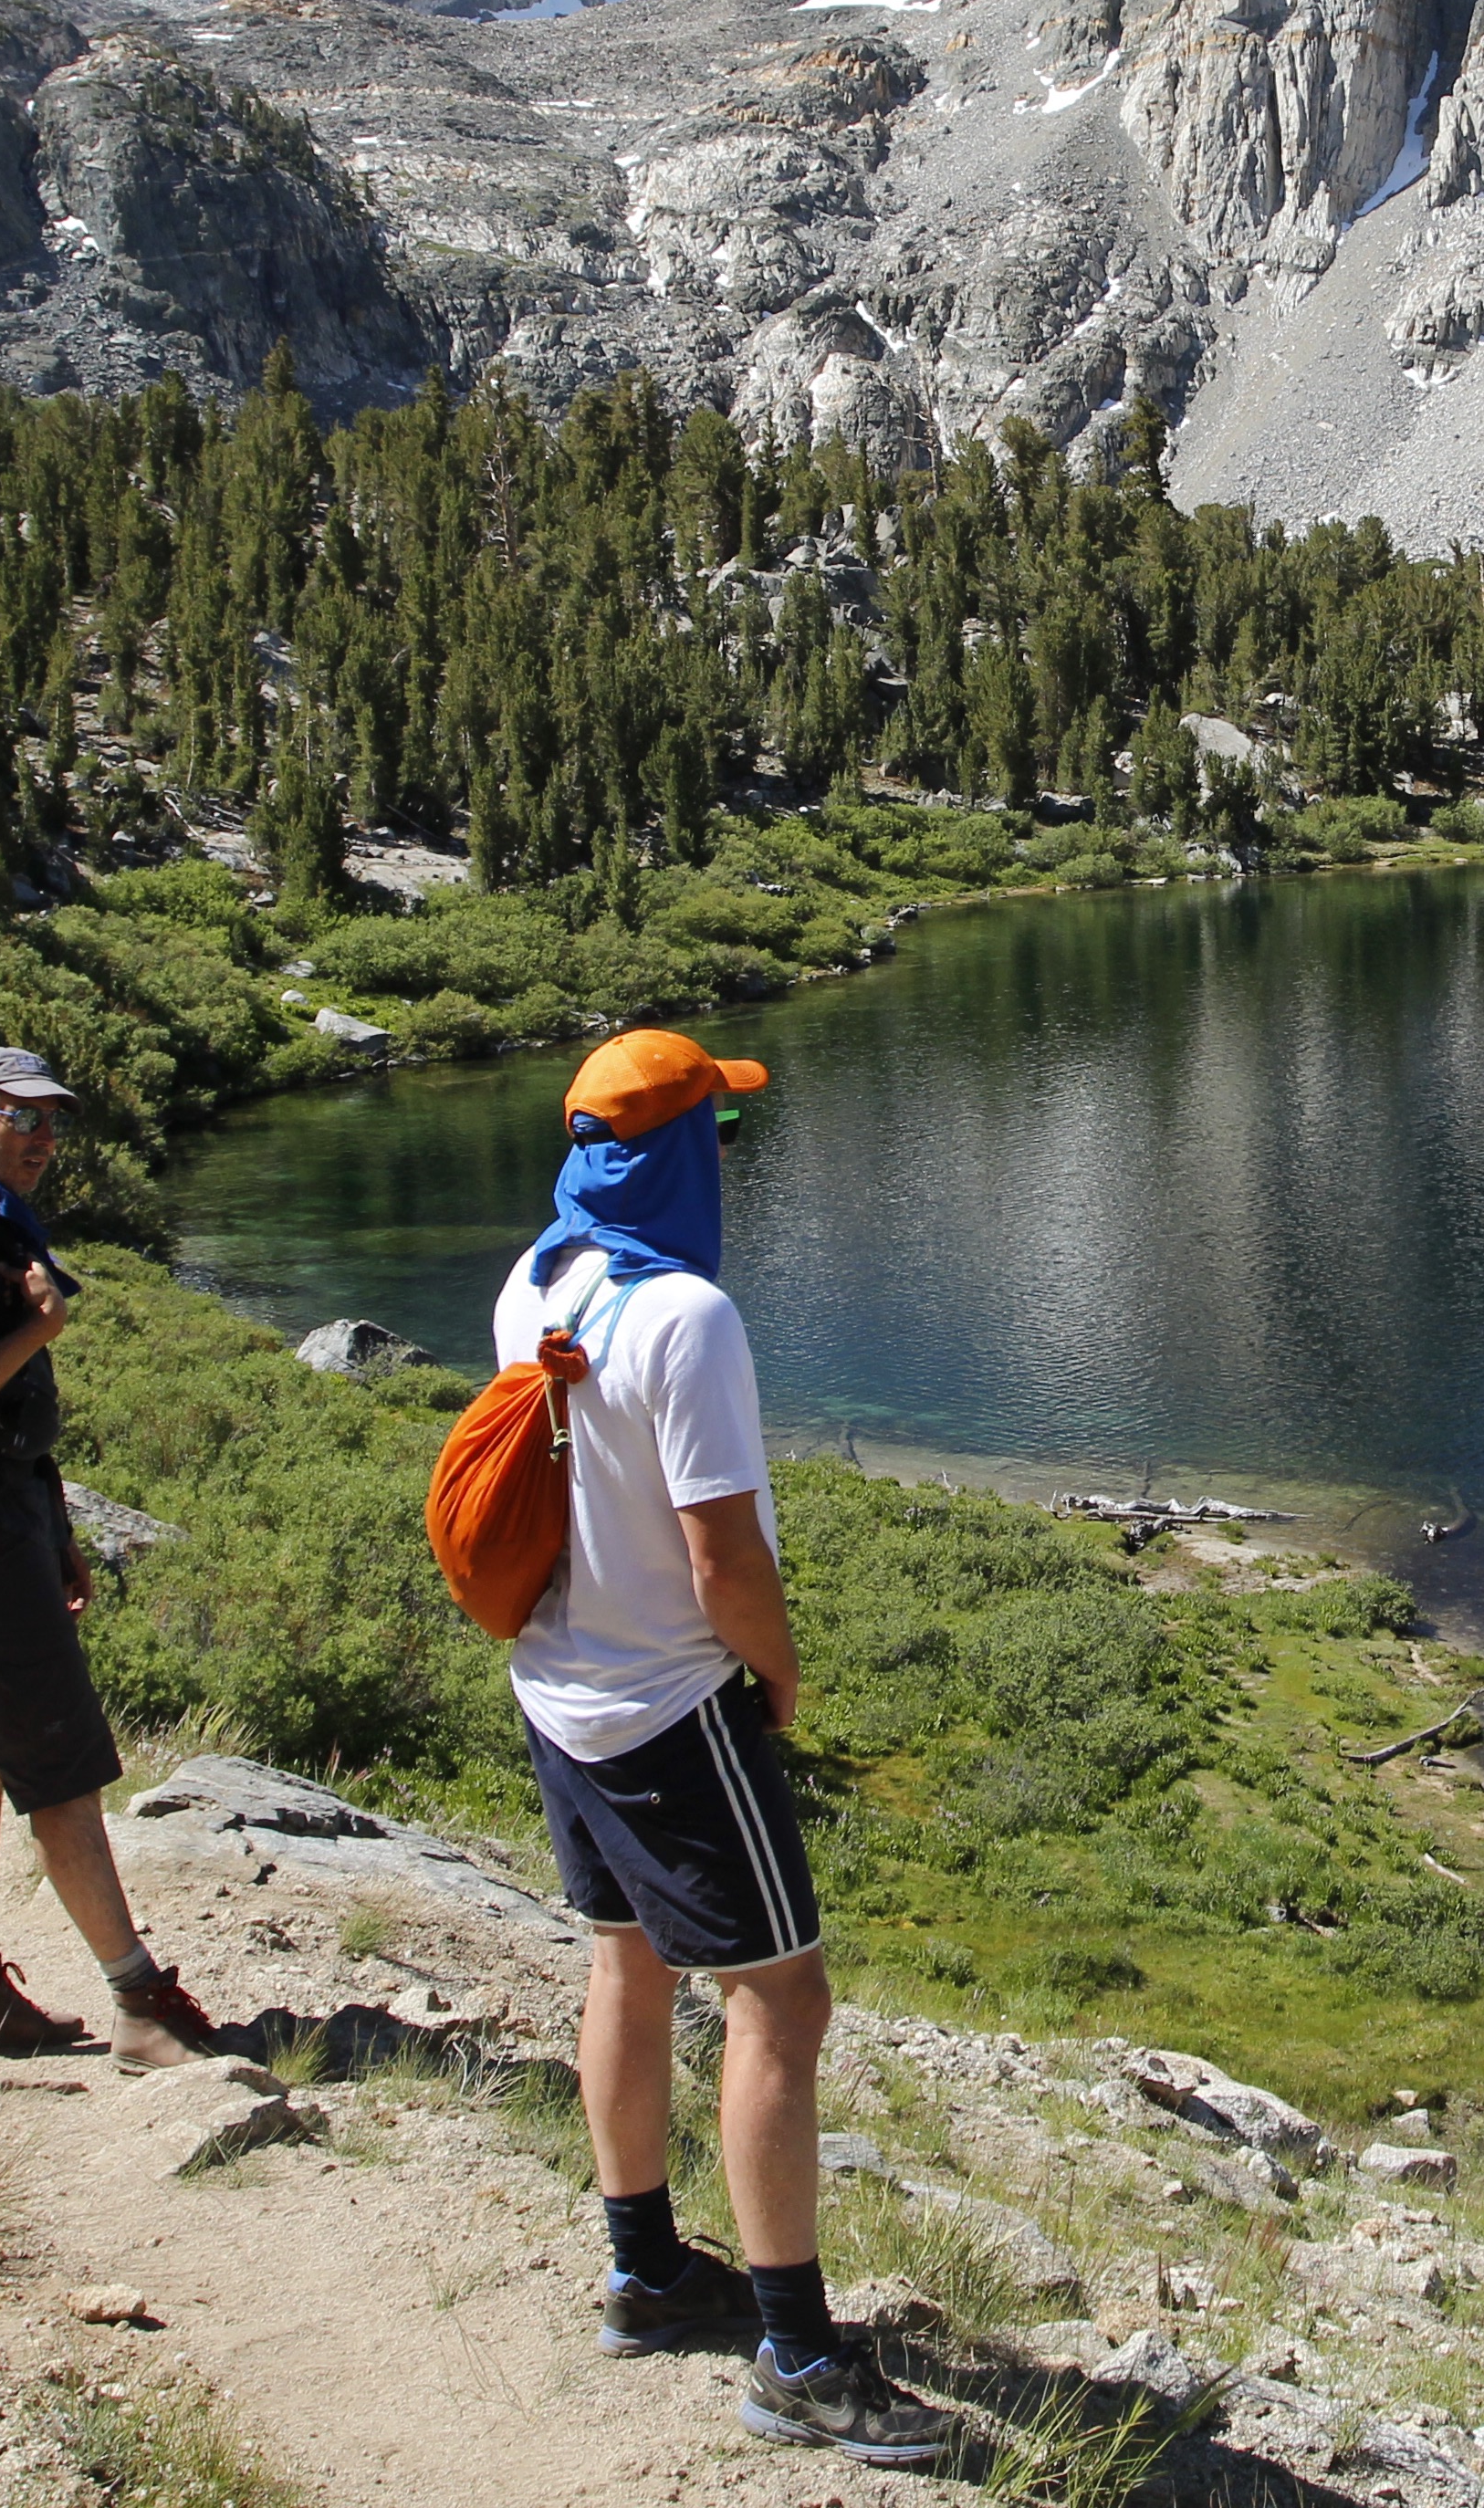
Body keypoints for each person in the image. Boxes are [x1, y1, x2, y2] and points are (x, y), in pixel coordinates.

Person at [503, 1028, 949, 2470]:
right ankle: (802, 2359)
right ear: (680, 1151)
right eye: (719, 1133)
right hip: (667, 1704)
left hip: (559, 1688)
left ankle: (644, 2270)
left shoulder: (536, 1278)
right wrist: (781, 1675)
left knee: (624, 1958)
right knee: (781, 2001)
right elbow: (725, 1561)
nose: (728, 1161)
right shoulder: (688, 1316)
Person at [0, 1045, 222, 2071]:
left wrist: (55, 1522)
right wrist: (40, 1330)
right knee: (59, 1760)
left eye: (49, 1120)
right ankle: (141, 2004)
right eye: (17, 1117)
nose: (40, 1138)